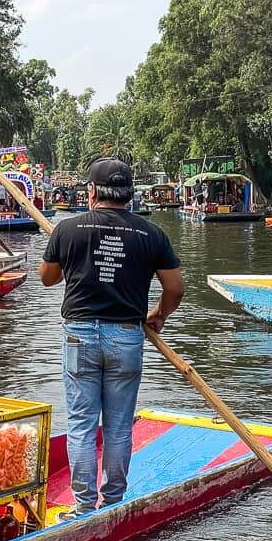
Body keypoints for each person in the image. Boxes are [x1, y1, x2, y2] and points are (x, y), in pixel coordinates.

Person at [39, 158, 184, 519]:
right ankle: (114, 502)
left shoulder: (67, 229)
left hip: (79, 336)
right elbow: (176, 288)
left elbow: (47, 279)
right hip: (126, 336)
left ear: (90, 192)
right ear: (130, 195)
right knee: (119, 426)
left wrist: (66, 254)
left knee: (82, 424)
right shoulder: (151, 235)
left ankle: (83, 506)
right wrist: (159, 315)